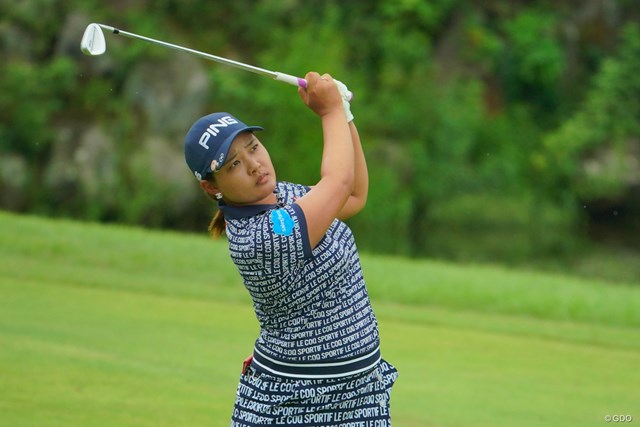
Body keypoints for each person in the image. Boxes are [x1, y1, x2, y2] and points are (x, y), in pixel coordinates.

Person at [183, 72, 398, 426]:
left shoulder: (285, 196)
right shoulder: (259, 237)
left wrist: (344, 114)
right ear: (211, 187)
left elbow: (354, 194)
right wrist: (329, 114)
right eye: (233, 164)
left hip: (360, 397)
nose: (253, 165)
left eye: (252, 147)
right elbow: (338, 181)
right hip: (295, 407)